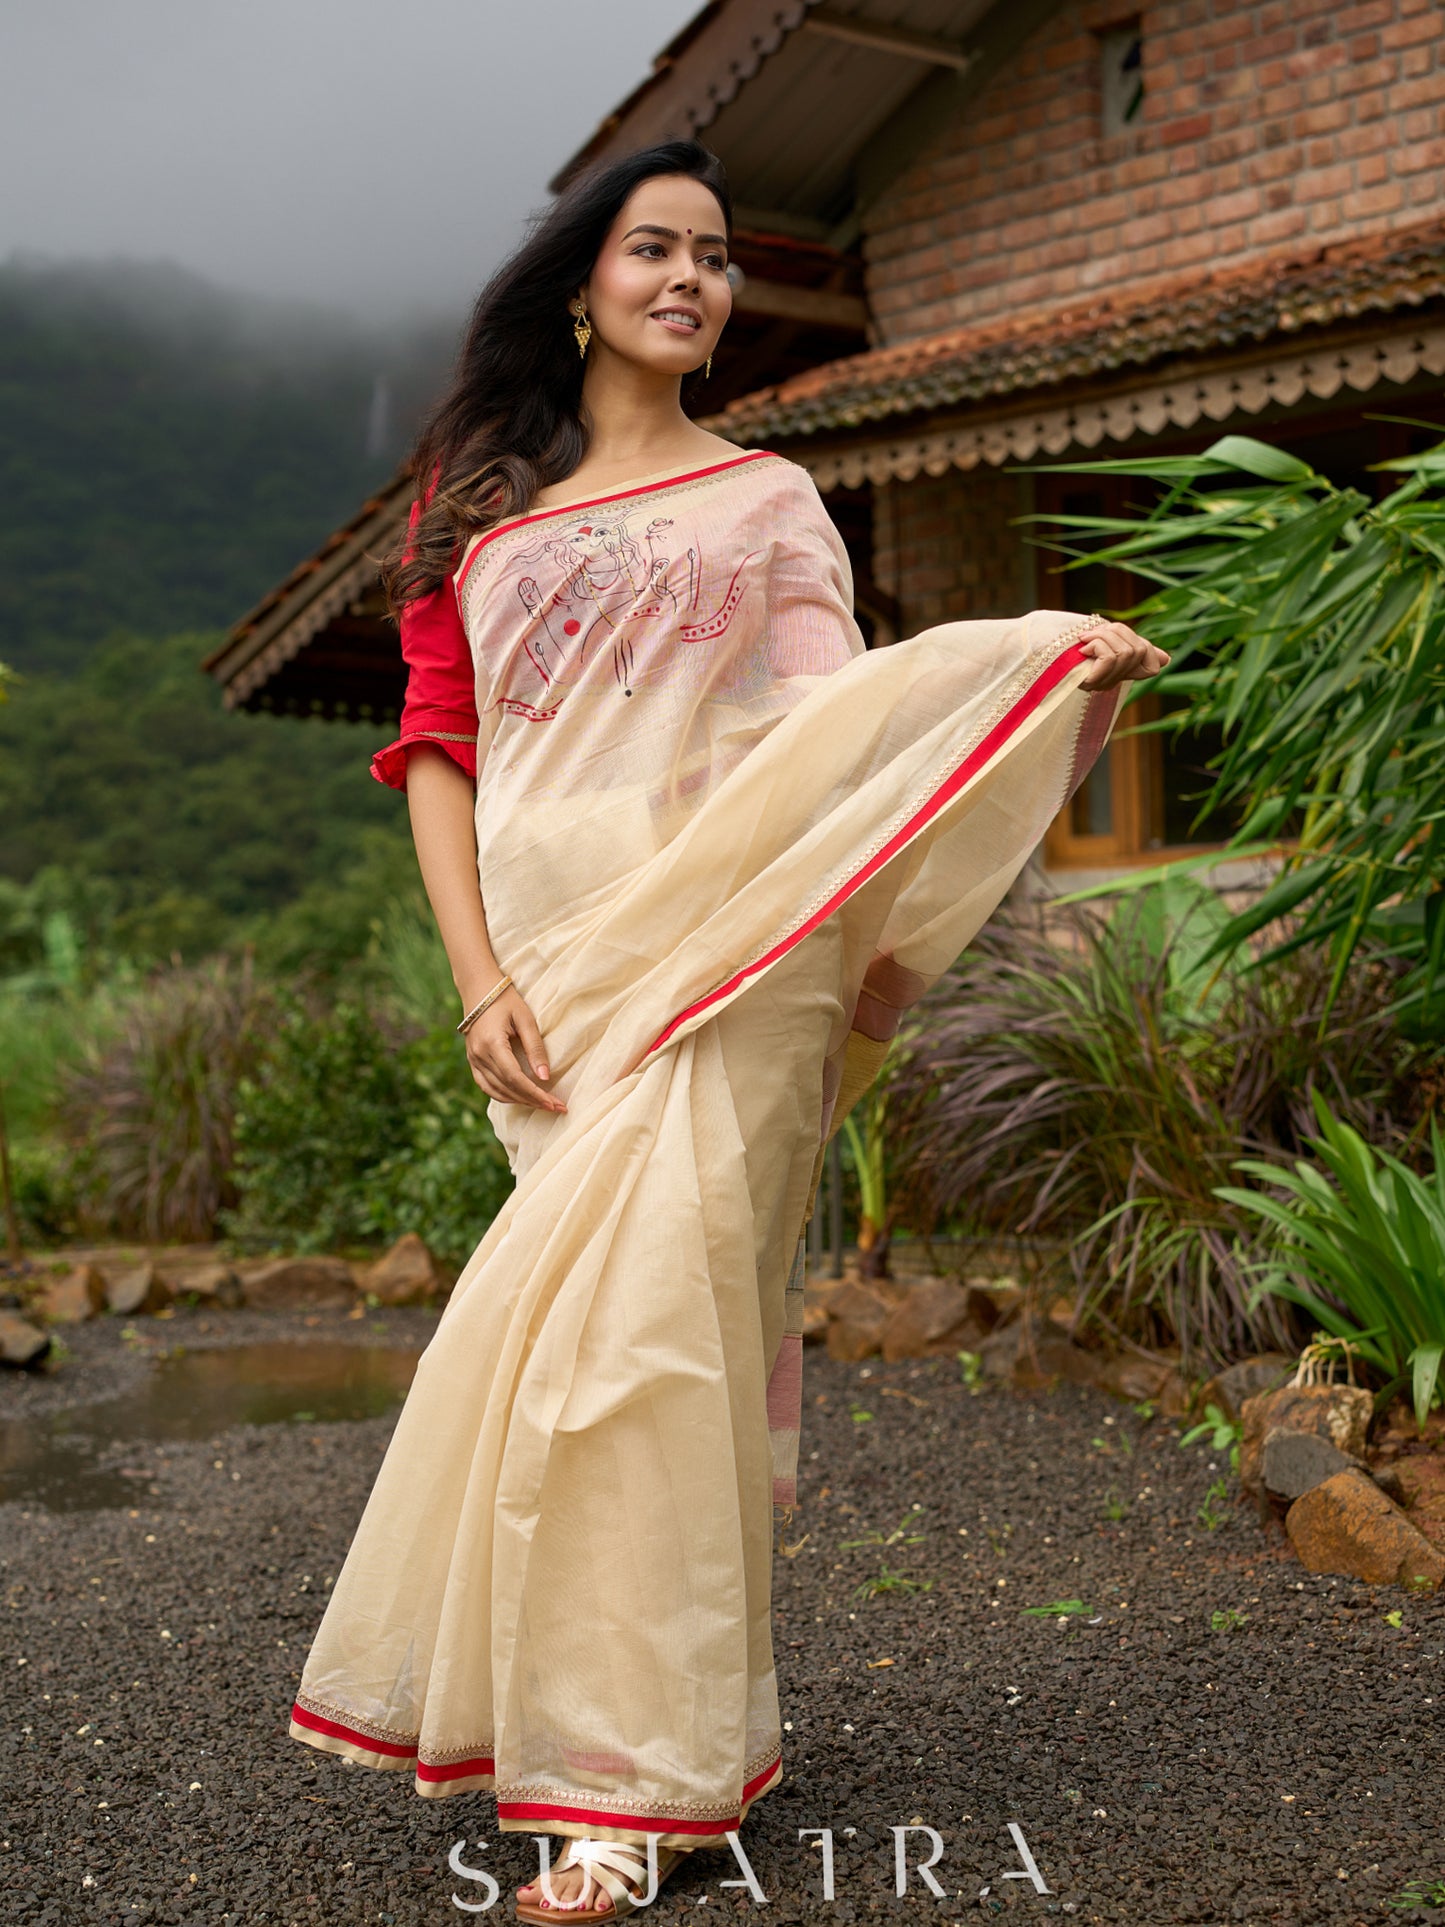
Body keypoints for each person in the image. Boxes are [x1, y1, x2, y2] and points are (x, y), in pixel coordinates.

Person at [286, 138, 1169, 1923]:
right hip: (555, 975)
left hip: (734, 958)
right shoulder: (473, 499)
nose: (691, 280)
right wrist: (480, 978)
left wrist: (1024, 668)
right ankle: (674, 1727)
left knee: (643, 1355)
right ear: (578, 281)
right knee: (593, 1350)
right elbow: (437, 751)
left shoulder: (766, 502)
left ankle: (619, 1792)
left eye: (713, 257)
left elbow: (831, 729)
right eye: (652, 250)